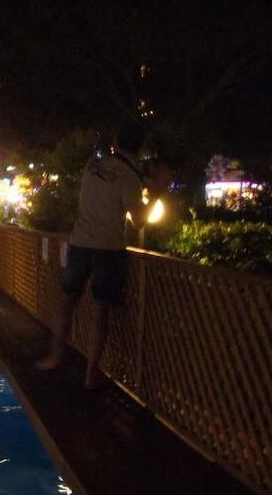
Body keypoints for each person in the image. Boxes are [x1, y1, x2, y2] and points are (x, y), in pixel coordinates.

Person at [37, 123, 172, 389]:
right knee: (100, 314)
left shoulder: (92, 165)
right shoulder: (129, 176)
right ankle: (90, 376)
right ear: (139, 148)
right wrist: (158, 190)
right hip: (108, 249)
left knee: (67, 304)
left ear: (116, 143)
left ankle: (55, 357)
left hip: (79, 242)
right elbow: (139, 221)